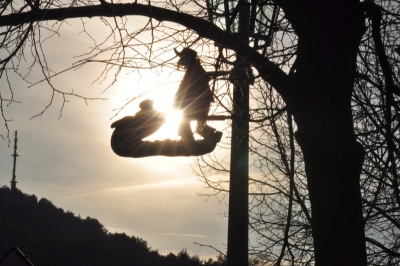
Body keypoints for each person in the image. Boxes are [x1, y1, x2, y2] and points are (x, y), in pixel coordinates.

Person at [173, 48, 221, 142]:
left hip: (198, 101)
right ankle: (209, 136)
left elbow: (185, 87)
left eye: (183, 58)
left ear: (188, 58)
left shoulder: (194, 70)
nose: (181, 61)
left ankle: (188, 140)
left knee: (185, 120)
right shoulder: (193, 69)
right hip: (199, 100)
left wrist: (176, 100)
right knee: (196, 124)